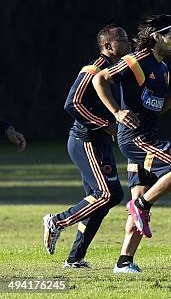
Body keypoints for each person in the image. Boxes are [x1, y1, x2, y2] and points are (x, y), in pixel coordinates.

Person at [92, 14, 171, 274]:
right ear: (156, 37)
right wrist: (116, 112)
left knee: (140, 196)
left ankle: (124, 262)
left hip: (147, 136)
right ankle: (141, 207)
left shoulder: (161, 69)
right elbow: (99, 80)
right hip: (136, 138)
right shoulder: (136, 60)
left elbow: (156, 110)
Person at [42, 25, 131, 268]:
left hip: (100, 142)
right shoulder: (93, 69)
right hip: (85, 141)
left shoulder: (118, 70)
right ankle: (56, 222)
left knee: (98, 201)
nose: (129, 42)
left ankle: (75, 258)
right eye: (122, 39)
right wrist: (105, 124)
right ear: (109, 46)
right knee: (109, 195)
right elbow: (72, 104)